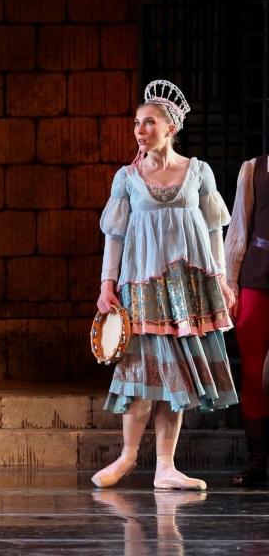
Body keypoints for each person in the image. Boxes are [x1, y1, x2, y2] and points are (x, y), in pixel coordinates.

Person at [93, 80, 237, 490]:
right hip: (142, 286)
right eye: (137, 123)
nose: (140, 130)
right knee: (141, 371)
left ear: (170, 128)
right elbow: (115, 236)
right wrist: (107, 284)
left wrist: (221, 279)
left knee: (176, 376)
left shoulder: (198, 172)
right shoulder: (127, 178)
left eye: (149, 122)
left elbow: (213, 230)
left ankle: (165, 467)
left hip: (186, 288)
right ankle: (127, 457)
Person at [225, 154, 269, 486]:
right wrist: (231, 285)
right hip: (257, 278)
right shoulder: (254, 168)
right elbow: (239, 228)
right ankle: (257, 460)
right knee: (253, 372)